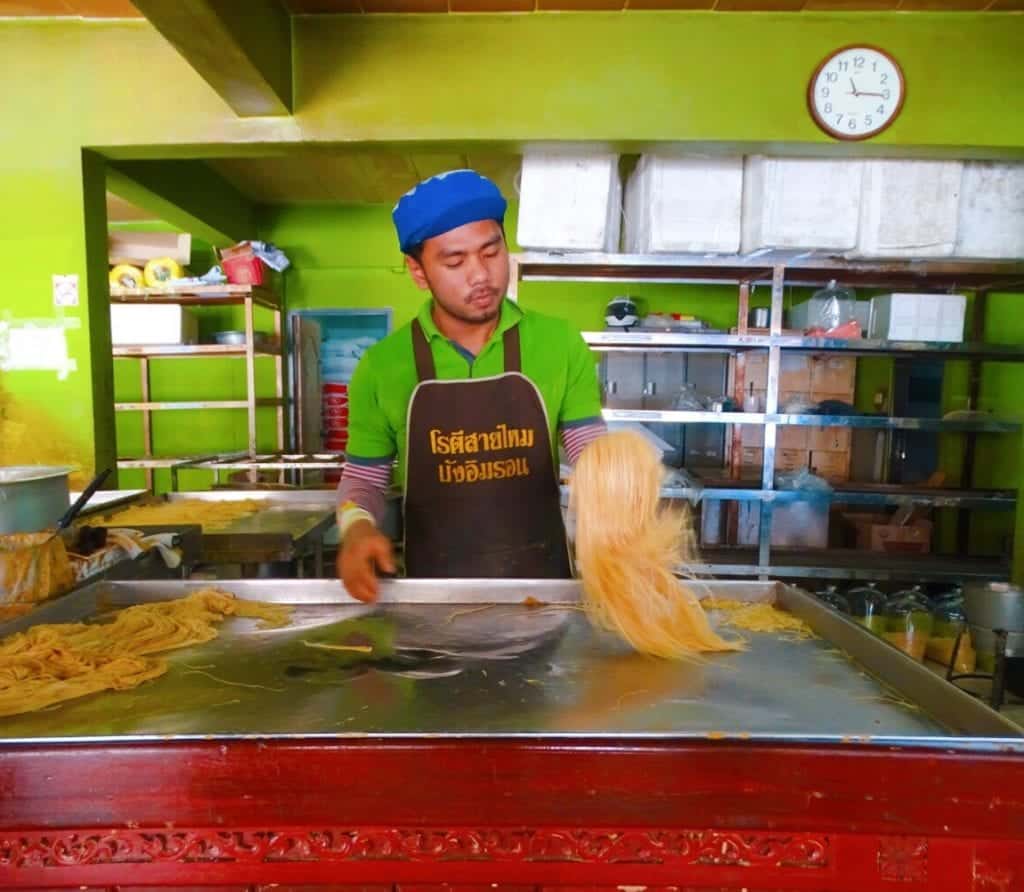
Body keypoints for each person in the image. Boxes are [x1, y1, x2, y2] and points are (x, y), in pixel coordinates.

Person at [336, 169, 605, 602]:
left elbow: (589, 452)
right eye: (455, 262)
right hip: (433, 599)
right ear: (418, 271)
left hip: (543, 594)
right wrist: (356, 526)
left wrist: (620, 491)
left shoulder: (559, 343)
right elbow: (364, 479)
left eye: (492, 252)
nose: (481, 275)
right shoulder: (382, 366)